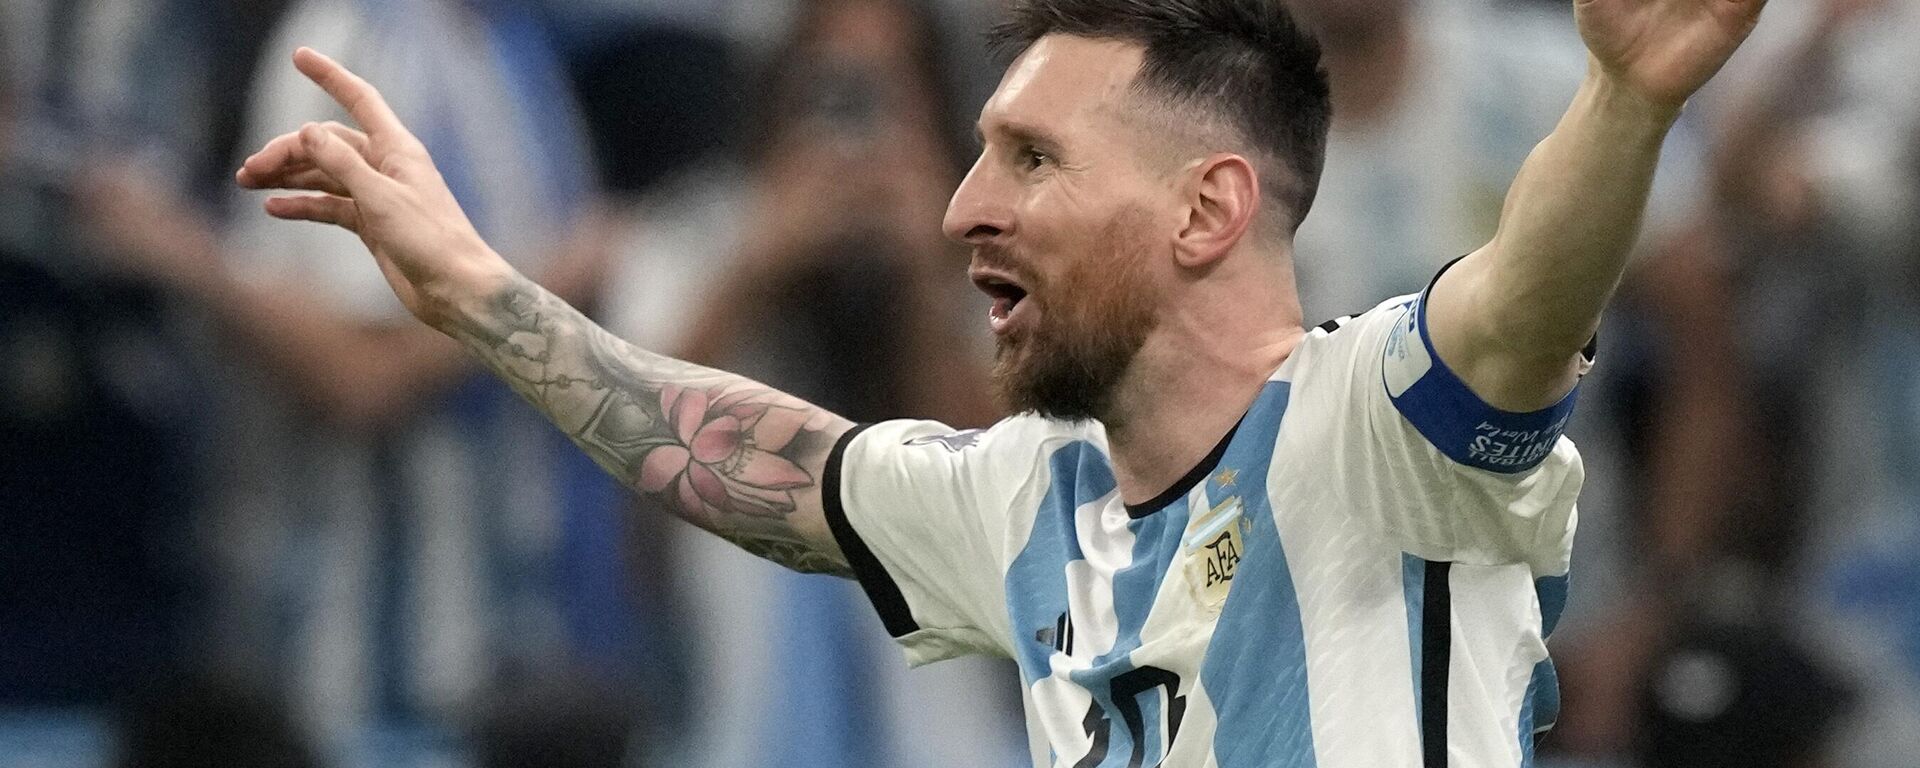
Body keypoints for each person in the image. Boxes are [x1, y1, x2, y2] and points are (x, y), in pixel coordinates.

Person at [230, 0, 1765, 764]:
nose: (967, 205)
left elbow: (1523, 297)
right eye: (976, 153)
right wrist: (479, 295)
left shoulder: (1379, 427)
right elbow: (741, 452)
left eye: (1031, 159)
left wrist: (1626, 105)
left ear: (1207, 211)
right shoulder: (1025, 493)